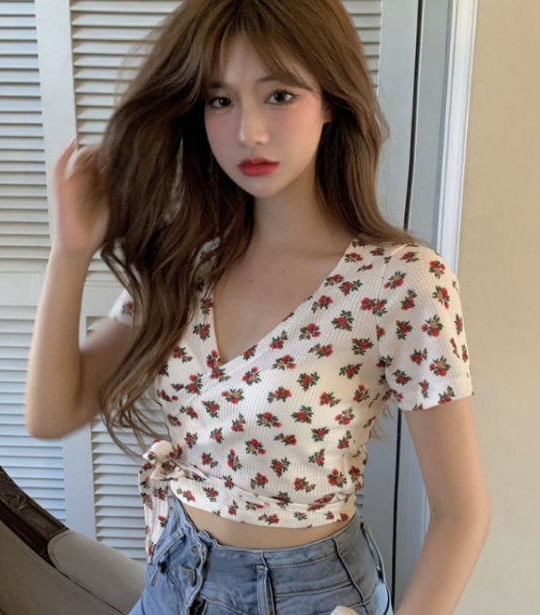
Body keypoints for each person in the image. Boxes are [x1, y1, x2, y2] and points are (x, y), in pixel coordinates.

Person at [25, 1, 491, 614]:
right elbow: (52, 415)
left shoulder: (399, 283)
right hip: (173, 581)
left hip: (308, 597)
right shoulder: (187, 263)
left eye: (279, 95)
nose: (249, 131)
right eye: (220, 100)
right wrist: (70, 253)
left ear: (331, 101)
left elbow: (461, 512)